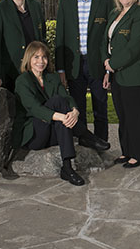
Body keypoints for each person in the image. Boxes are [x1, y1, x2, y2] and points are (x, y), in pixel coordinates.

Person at [14, 41, 106, 186]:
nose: (41, 61)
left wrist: (74, 111)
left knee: (61, 101)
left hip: (53, 132)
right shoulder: (22, 81)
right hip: (36, 135)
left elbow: (67, 97)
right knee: (57, 102)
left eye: (44, 57)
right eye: (36, 57)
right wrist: (62, 116)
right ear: (29, 59)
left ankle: (67, 167)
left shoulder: (53, 77)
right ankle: (86, 136)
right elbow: (34, 108)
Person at [55, 0, 114, 149]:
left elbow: (110, 37)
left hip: (97, 63)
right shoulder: (65, 3)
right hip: (74, 64)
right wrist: (61, 69)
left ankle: (101, 142)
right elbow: (60, 38)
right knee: (77, 107)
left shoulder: (105, 1)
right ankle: (83, 143)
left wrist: (108, 67)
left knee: (100, 106)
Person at [102, 0, 140, 169]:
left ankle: (138, 154)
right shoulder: (115, 13)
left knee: (134, 116)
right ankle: (126, 151)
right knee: (123, 115)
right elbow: (106, 43)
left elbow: (135, 47)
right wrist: (107, 67)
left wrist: (112, 64)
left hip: (136, 74)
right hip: (116, 74)